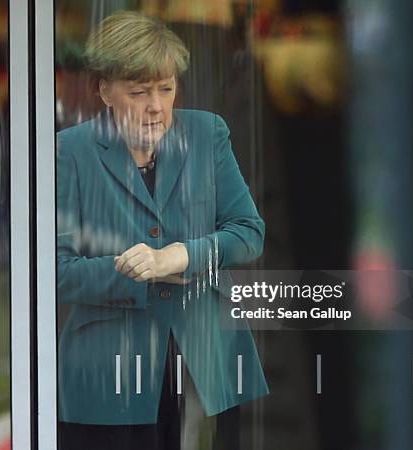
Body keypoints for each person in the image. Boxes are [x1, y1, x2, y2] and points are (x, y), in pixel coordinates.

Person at [56, 10, 269, 450]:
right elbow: (58, 272)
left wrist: (182, 256)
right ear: (104, 91)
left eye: (166, 89)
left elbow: (248, 232)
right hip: (105, 375)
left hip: (207, 366)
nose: (156, 105)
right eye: (138, 92)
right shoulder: (69, 151)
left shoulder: (208, 134)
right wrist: (143, 272)